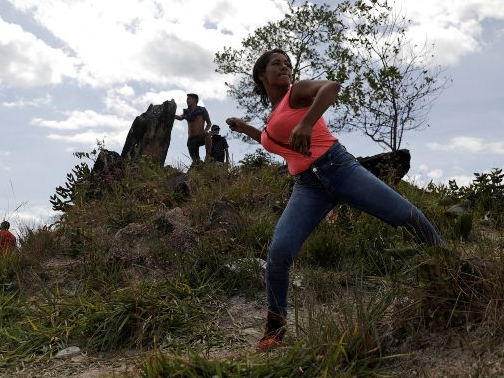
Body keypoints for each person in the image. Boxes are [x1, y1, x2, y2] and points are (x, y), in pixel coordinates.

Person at [226, 49, 445, 350]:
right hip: (308, 188)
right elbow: (270, 140)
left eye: (287, 63)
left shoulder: (297, 92)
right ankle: (275, 326)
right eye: (276, 63)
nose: (285, 66)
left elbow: (331, 87)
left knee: (406, 215)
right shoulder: (273, 117)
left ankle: (450, 269)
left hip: (340, 169)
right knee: (279, 252)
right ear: (261, 75)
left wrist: (307, 122)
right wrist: (244, 128)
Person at [174, 93, 213, 163]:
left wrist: (205, 130)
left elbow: (209, 123)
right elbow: (180, 118)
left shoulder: (202, 110)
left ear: (195, 100)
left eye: (189, 99)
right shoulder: (186, 111)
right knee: (196, 162)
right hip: (191, 140)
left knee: (208, 135)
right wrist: (172, 114)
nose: (187, 100)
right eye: (187, 99)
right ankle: (198, 165)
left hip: (200, 136)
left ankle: (207, 156)